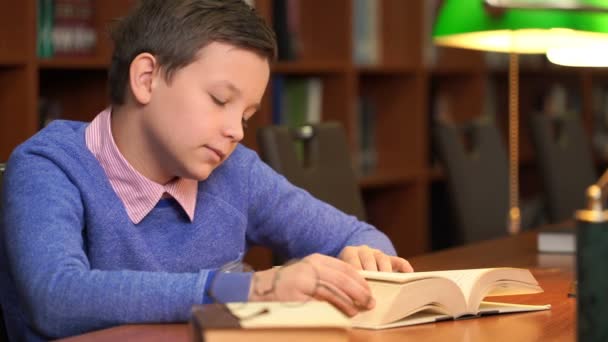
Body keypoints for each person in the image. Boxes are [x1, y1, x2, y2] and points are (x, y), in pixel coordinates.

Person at [0, 0, 412, 340]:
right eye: (219, 100)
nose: (235, 131)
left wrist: (365, 258)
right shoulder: (48, 166)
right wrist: (252, 288)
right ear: (146, 78)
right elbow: (56, 298)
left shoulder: (236, 171)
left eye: (247, 115)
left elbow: (359, 236)